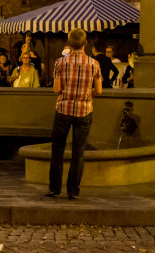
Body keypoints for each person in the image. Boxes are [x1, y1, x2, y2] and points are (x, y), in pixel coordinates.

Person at [46, 28, 102, 200]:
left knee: (57, 150)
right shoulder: (94, 64)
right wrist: (85, 95)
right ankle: (73, 190)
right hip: (84, 111)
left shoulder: (59, 63)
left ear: (68, 43)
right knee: (78, 152)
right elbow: (99, 90)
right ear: (86, 43)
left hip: (63, 109)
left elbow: (56, 89)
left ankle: (55, 188)